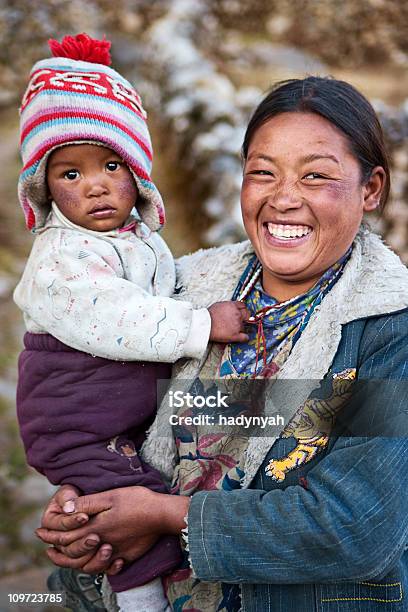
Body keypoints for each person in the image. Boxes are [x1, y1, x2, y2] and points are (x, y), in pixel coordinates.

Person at [36, 76, 408, 612]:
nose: (284, 198)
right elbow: (99, 413)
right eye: (262, 173)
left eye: (317, 176)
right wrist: (85, 504)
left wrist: (164, 515)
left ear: (371, 189)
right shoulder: (181, 295)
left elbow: (356, 527)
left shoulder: (388, 331)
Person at [13, 33, 248, 612]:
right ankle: (142, 602)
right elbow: (113, 315)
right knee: (128, 510)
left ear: (138, 174)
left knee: (121, 502)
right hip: (72, 414)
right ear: (44, 190)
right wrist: (198, 326)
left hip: (111, 415)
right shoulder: (60, 258)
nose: (94, 184)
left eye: (111, 164)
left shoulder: (140, 240)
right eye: (69, 174)